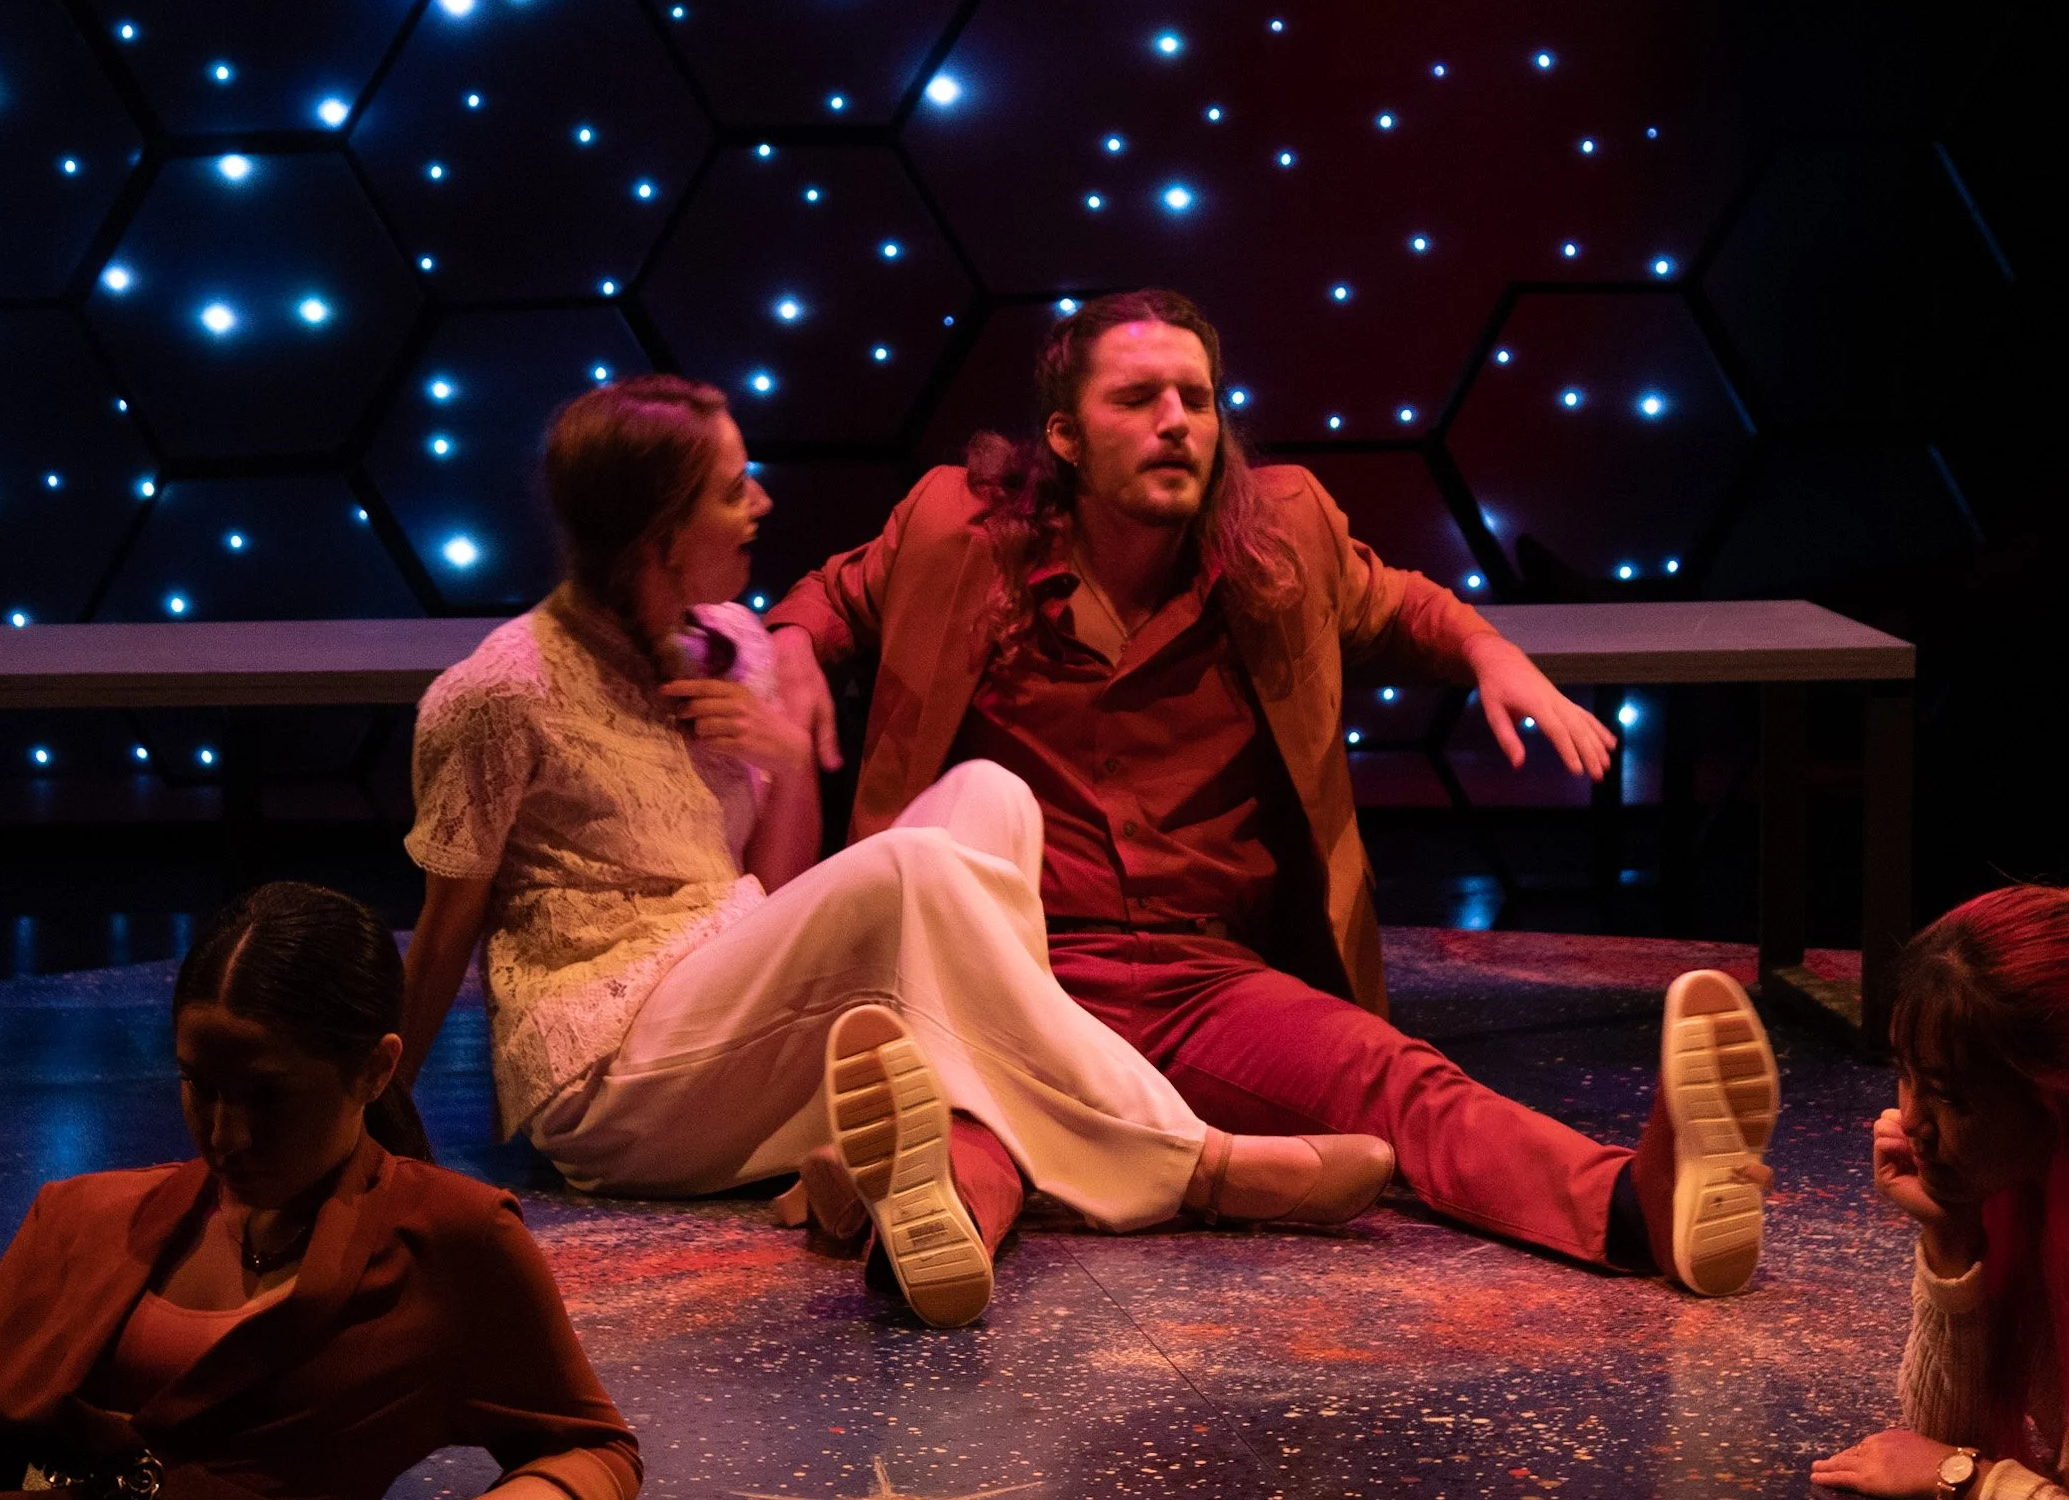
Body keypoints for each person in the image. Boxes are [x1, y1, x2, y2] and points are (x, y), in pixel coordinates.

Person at [765, 287, 1783, 1296]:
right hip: (1013, 970)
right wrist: (794, 649)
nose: (1176, 422)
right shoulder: (957, 530)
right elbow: (832, 596)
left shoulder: (1281, 535)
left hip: (1205, 979)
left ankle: (1640, 1202)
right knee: (967, 1118)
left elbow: (1398, 603)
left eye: (1196, 399)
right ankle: (928, 1238)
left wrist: (1487, 650)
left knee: (1395, 1079)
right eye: (1139, 400)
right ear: (1067, 437)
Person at [397, 375, 1395, 1331]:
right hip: (613, 1082)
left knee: (989, 796)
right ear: (657, 530)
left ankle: (866, 1158)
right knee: (909, 871)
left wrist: (786, 755)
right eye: (732, 489)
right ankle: (1197, 1164)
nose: (762, 501)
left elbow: (772, 893)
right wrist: (375, 1112)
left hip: (727, 1020)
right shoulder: (498, 693)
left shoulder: (735, 645)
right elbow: (445, 933)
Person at [0, 881, 644, 1500]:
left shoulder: (453, 1239)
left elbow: (590, 1443)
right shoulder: (78, 1216)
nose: (226, 1134)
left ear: (374, 1069)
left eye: (269, 1097)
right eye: (200, 1087)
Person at [1812, 875, 2069, 1500]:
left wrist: (1978, 1483)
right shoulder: (2028, 1182)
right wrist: (1952, 1234)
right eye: (1905, 1074)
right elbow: (1943, 1436)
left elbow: (1947, 1464)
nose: (1910, 1124)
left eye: (1950, 1096)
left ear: (2064, 1096)